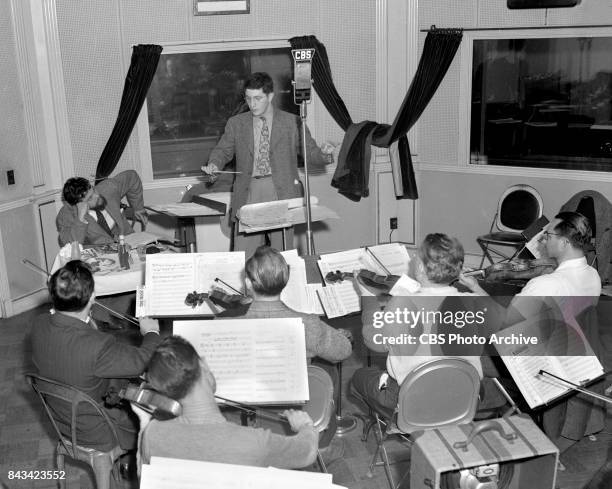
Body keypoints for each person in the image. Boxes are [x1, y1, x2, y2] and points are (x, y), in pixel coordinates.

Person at [350, 233, 492, 419]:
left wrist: (367, 296)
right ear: (458, 270)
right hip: (464, 396)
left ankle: (394, 417)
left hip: (411, 399)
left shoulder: (402, 304)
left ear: (420, 268)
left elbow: (373, 340)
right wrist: (475, 287)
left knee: (361, 377)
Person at [31, 260, 162, 451]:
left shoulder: (38, 324)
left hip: (61, 420)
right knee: (160, 417)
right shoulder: (98, 345)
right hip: (97, 430)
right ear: (92, 297)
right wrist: (152, 333)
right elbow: (143, 361)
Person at [201, 72, 335, 256]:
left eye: (258, 98)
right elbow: (222, 150)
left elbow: (310, 152)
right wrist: (214, 164)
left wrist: (324, 154)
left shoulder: (292, 122)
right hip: (249, 190)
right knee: (245, 255)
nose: (252, 104)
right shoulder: (236, 123)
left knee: (281, 255)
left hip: (280, 189)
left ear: (270, 96)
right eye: (248, 99)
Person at [137, 335, 318, 470]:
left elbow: (145, 476)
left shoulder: (153, 435)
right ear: (204, 365)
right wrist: (306, 426)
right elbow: (307, 452)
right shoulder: (253, 443)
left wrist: (144, 422)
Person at [238, 245, 352, 364]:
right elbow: (344, 351)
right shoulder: (308, 323)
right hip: (291, 382)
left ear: (248, 283)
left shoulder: (228, 320)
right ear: (286, 281)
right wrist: (341, 337)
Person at [57, 170, 148, 247]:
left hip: (128, 241)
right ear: (78, 205)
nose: (97, 196)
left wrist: (138, 207)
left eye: (93, 190)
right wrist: (80, 219)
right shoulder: (66, 215)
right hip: (99, 257)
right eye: (90, 198)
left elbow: (132, 177)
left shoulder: (107, 189)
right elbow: (70, 247)